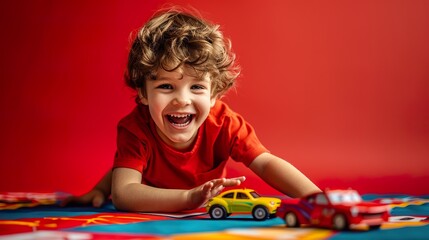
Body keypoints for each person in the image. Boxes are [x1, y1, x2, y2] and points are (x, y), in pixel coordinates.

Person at [62, 7, 321, 212]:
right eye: (166, 86)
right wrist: (189, 197)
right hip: (154, 196)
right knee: (132, 162)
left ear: (214, 95)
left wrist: (318, 199)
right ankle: (96, 190)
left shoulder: (225, 124)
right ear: (142, 93)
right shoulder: (136, 128)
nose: (181, 100)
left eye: (196, 87)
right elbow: (124, 192)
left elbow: (266, 164)